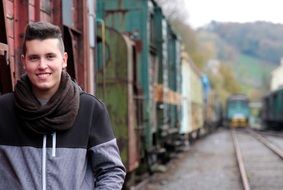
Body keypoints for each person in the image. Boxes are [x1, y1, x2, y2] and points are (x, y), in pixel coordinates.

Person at [0, 21, 126, 189]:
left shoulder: (89, 109)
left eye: (50, 56)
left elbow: (111, 170)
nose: (42, 66)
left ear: (64, 60)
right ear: (24, 61)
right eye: (34, 58)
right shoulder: (4, 109)